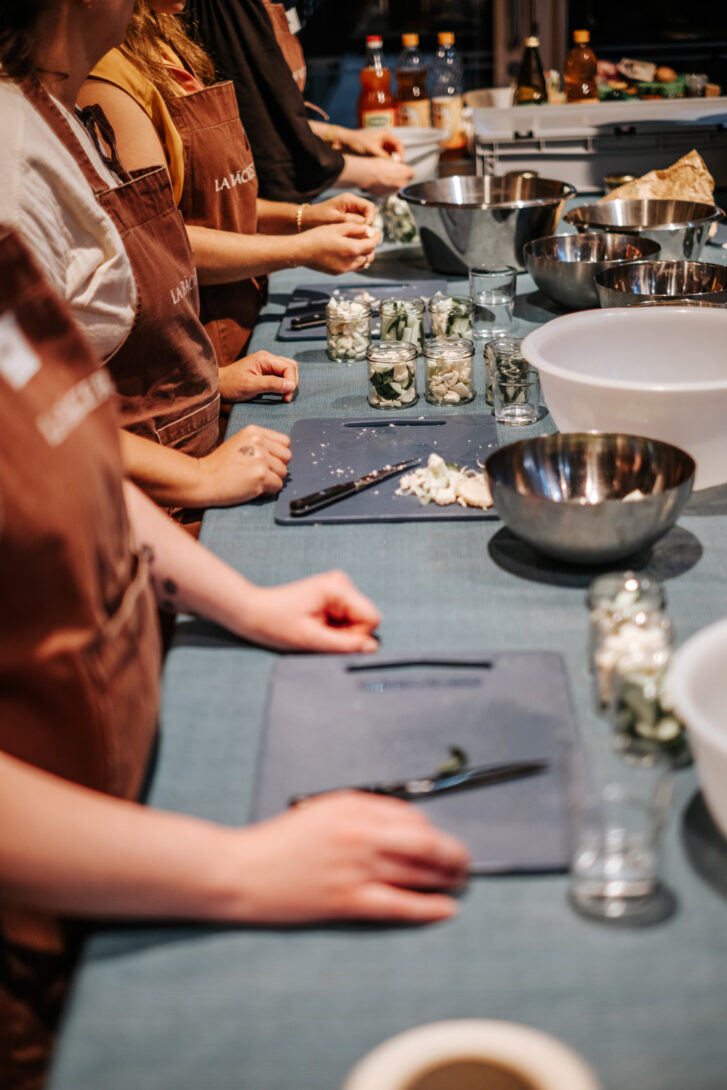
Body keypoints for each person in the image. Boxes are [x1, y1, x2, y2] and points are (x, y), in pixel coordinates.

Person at [0, 224, 469, 1090]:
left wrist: (242, 601)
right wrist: (243, 868)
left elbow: (77, 468)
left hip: (124, 775)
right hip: (38, 912)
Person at [1, 0, 302, 527]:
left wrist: (211, 382)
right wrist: (199, 479)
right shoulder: (15, 151)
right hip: (116, 516)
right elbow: (26, 417)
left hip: (161, 483)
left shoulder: (60, 115)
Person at [81, 0, 381, 366]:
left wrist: (305, 216)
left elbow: (216, 203)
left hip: (241, 313)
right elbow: (159, 244)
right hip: (195, 341)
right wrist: (300, 249)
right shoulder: (106, 76)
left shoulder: (169, 44)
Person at [187, 0, 414, 202]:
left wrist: (342, 136)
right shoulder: (230, 10)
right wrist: (369, 173)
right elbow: (265, 137)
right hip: (252, 202)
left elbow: (278, 113)